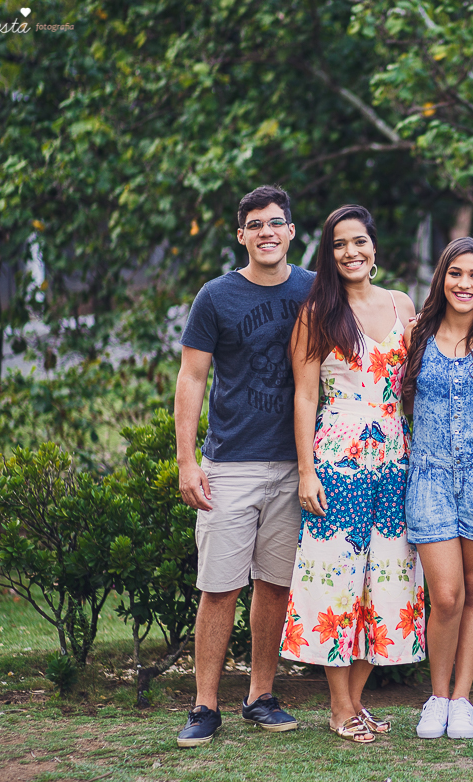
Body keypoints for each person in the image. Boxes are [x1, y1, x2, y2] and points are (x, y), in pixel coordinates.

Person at [174, 185, 315, 747]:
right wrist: (187, 461)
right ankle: (205, 704)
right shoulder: (216, 296)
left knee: (275, 586)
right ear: (241, 235)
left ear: (291, 231)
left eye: (275, 223)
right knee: (219, 588)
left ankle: (260, 696)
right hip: (230, 462)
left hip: (296, 462)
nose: (266, 233)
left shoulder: (312, 287)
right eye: (255, 225)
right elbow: (192, 377)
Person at [281, 204, 424, 744]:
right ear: (328, 252)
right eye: (340, 244)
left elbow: (412, 385)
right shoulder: (316, 312)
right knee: (338, 583)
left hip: (394, 461)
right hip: (338, 462)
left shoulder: (401, 304)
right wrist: (306, 471)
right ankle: (340, 708)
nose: (351, 252)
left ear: (374, 247)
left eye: (359, 241)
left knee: (387, 582)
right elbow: (306, 395)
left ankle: (356, 701)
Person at [401, 238, 473, 740]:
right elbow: (401, 404)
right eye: (456, 273)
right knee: (444, 595)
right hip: (427, 476)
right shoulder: (415, 335)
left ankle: (463, 701)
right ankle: (437, 697)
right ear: (441, 278)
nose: (464, 284)